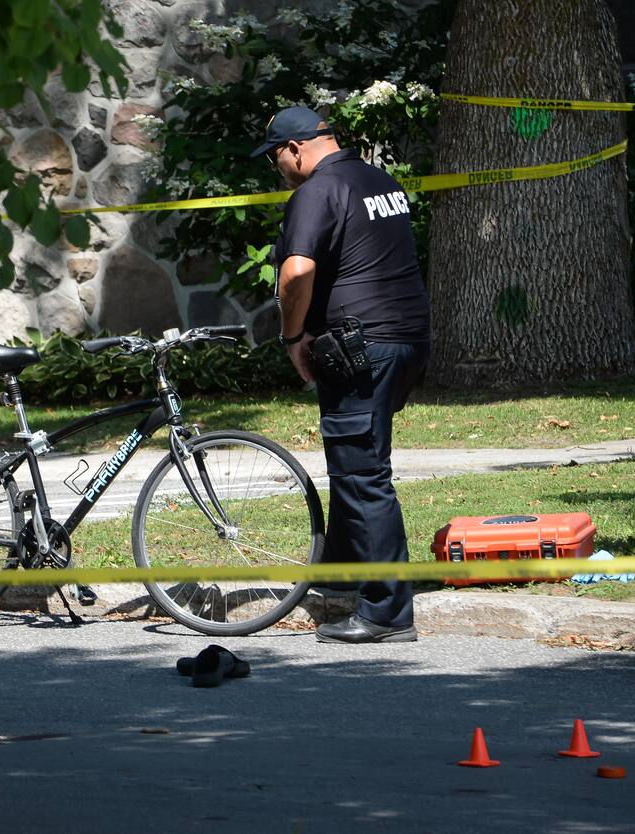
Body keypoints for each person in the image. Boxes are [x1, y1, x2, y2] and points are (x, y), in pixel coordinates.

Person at [254, 106, 430, 643]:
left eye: (275, 159)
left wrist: (292, 336)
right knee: (359, 462)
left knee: (361, 474)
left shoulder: (317, 190)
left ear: (295, 148)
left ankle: (386, 613)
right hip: (407, 340)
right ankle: (343, 575)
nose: (278, 170)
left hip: (361, 348)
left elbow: (298, 270)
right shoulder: (380, 181)